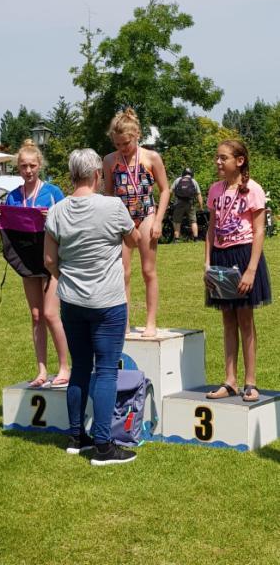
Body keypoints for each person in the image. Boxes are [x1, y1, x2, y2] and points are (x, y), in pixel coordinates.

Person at [44, 148, 141, 466]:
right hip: (108, 302)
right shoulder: (113, 206)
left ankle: (76, 436)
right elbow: (134, 239)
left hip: (72, 302)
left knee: (80, 367)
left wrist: (68, 278)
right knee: (107, 370)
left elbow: (49, 261)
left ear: (72, 175)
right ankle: (103, 444)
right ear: (98, 174)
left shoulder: (56, 211)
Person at [0, 139, 70, 389]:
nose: (28, 171)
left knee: (50, 314)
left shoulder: (53, 192)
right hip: (28, 261)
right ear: (18, 168)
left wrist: (54, 215)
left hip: (52, 262)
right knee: (36, 316)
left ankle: (64, 367)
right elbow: (8, 232)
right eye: (23, 166)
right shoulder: (13, 197)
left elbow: (70, 223)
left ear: (40, 166)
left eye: (32, 166)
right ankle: (41, 371)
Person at [204, 139, 271, 402]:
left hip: (244, 256)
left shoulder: (253, 190)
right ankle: (230, 380)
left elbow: (259, 230)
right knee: (227, 319)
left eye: (223, 158)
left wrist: (251, 269)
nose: (218, 162)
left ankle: (250, 382)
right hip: (221, 256)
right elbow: (210, 229)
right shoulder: (214, 190)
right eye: (217, 157)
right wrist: (207, 263)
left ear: (239, 161)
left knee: (245, 319)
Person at [103, 108, 169, 337]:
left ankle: (151, 322)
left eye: (127, 143)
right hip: (121, 220)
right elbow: (109, 194)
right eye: (118, 144)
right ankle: (125, 322)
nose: (123, 148)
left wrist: (159, 220)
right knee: (123, 273)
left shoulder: (151, 157)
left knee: (148, 270)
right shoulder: (110, 160)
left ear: (137, 135)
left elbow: (165, 189)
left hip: (146, 215)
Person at [170, 168, 203, 242]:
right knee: (193, 221)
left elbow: (170, 191)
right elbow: (199, 195)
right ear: (191, 174)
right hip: (190, 203)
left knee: (177, 221)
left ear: (183, 173)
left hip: (179, 203)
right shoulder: (193, 181)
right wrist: (201, 207)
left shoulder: (178, 180)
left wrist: (168, 201)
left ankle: (176, 239)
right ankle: (196, 238)